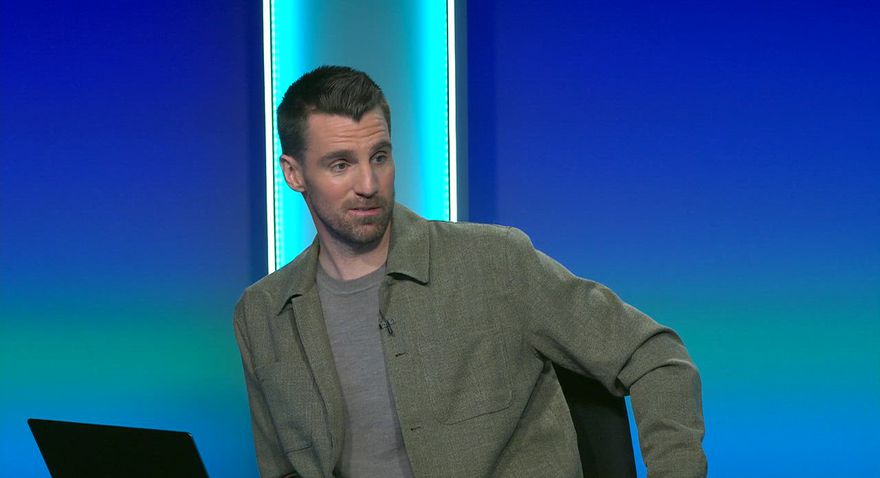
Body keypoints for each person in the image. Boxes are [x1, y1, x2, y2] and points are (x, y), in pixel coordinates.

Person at [234, 65, 707, 478]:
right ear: (294, 174)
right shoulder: (262, 314)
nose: (369, 183)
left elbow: (656, 356)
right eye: (341, 165)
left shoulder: (497, 262)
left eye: (379, 156)